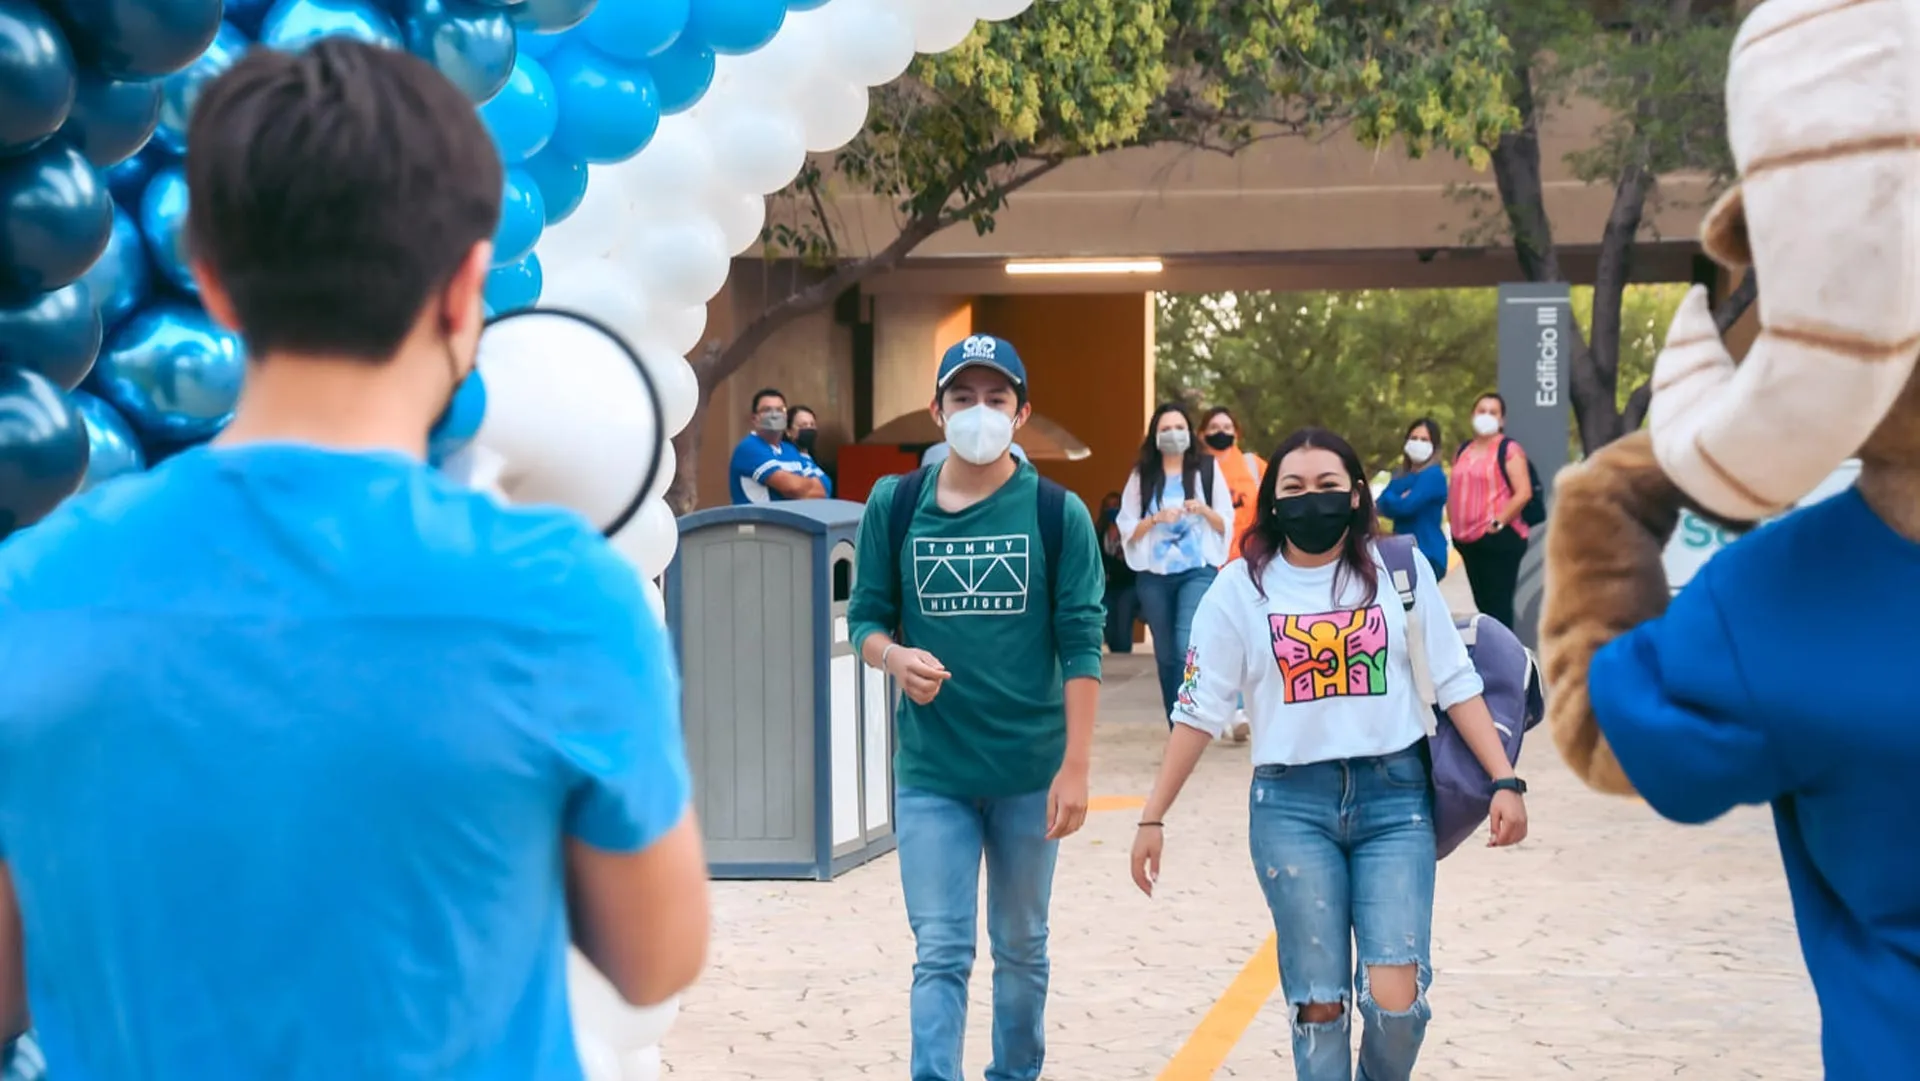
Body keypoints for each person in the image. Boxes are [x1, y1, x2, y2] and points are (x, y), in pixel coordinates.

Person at [0, 42, 709, 1080]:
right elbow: (656, 958)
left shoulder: (33, 593)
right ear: (464, 290)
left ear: (213, 281)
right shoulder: (560, 598)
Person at [1129, 427, 1528, 1081]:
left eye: (1327, 485)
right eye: (1293, 487)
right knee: (1318, 1004)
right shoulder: (1239, 587)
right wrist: (1153, 815)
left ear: (1356, 494)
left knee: (1397, 1002)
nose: (1310, 498)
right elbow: (1198, 709)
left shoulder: (1400, 572)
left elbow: (1457, 681)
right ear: (1272, 500)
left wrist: (1504, 779)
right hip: (1290, 806)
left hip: (1394, 801)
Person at [847, 333, 1103, 1081]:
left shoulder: (1057, 513)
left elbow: (1082, 643)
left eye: (996, 398)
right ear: (937, 410)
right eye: (963, 397)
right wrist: (893, 657)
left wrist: (1076, 767)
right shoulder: (896, 504)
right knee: (940, 951)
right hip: (934, 773)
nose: (979, 411)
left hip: (1030, 773)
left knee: (1021, 947)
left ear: (1022, 414)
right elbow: (866, 617)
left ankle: (1014, 1072)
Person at [1115, 403, 1236, 722]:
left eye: (1179, 428)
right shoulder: (1142, 476)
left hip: (1197, 572)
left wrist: (1202, 510)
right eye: (1166, 429)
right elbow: (1127, 528)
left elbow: (1225, 522)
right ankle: (1177, 724)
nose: (1173, 434)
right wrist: (1156, 518)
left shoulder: (1206, 469)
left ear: (1190, 433)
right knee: (1167, 656)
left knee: (1185, 647)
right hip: (1154, 577)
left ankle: (1192, 718)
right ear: (1155, 437)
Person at [1447, 393, 1532, 628]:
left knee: (1498, 608)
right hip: (1466, 540)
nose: (1486, 416)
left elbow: (1523, 492)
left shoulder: (1509, 450)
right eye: (1481, 411)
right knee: (1483, 605)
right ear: (1472, 415)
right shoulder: (1463, 450)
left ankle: (1506, 652)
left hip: (1497, 540)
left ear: (1502, 420)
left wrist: (1497, 523)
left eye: (1493, 412)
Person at [1376, 417, 1450, 580]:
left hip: (1427, 554)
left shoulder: (1434, 475)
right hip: (1401, 553)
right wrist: (1396, 499)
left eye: (1424, 439)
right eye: (1414, 438)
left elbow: (1406, 506)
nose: (1418, 443)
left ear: (1434, 446)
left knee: (1415, 596)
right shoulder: (1400, 474)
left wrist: (1394, 498)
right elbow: (1380, 505)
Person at [729, 387, 826, 504]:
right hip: (760, 516)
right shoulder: (749, 448)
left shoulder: (790, 450)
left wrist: (797, 486)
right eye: (767, 410)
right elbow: (791, 488)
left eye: (780, 410)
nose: (774, 415)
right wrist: (803, 486)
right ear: (755, 419)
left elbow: (820, 491)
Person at [1200, 406, 1267, 561]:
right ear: (1202, 435)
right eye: (1214, 427)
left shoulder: (1253, 465)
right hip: (1208, 562)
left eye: (1227, 427)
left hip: (1251, 559)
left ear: (1236, 434)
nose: (1221, 432)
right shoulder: (1193, 472)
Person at [1096, 491, 1137, 653]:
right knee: (1108, 622)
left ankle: (1124, 652)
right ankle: (1116, 652)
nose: (1112, 510)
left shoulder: (1132, 531)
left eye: (1116, 506)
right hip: (1107, 586)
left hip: (1128, 585)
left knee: (1123, 618)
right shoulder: (1099, 533)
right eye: (1108, 507)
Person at [786, 403, 834, 497]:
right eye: (803, 426)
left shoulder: (817, 461)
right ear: (789, 431)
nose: (809, 429)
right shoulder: (788, 459)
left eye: (812, 425)